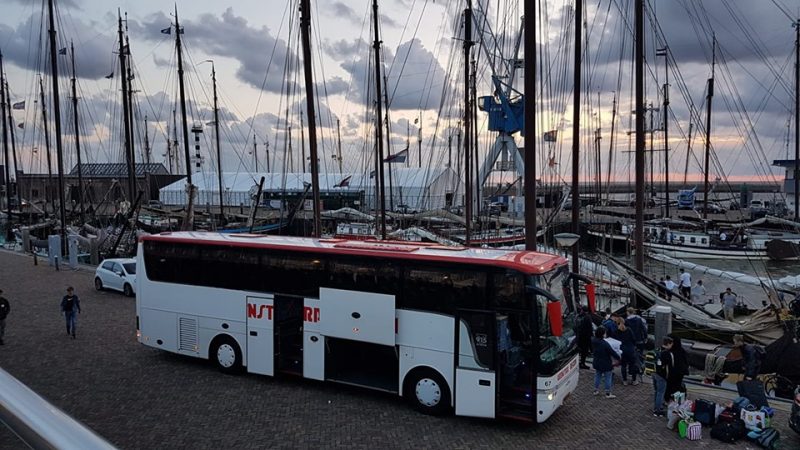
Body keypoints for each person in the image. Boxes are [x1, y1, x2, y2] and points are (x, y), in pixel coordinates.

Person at [591, 326, 618, 399]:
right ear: (602, 334)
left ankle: (595, 390)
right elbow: (612, 352)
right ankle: (608, 393)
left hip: (597, 362)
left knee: (597, 375)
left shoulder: (593, 340)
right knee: (608, 377)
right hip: (606, 363)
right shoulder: (605, 343)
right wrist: (619, 358)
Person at [653, 336, 674, 417]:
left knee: (656, 391)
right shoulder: (667, 353)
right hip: (662, 376)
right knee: (660, 393)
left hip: (654, 373)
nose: (672, 346)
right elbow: (670, 366)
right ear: (668, 344)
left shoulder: (657, 350)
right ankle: (658, 411)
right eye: (671, 344)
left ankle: (656, 407)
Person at [615, 317, 640, 386]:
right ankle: (634, 380)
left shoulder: (616, 331)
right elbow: (633, 339)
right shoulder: (629, 329)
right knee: (633, 365)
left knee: (623, 366)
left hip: (622, 350)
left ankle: (625, 380)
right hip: (630, 349)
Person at [625, 307, 647, 382]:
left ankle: (631, 371)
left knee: (631, 356)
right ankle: (640, 369)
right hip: (639, 339)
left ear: (628, 312)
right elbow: (643, 329)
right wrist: (645, 337)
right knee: (640, 355)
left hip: (631, 341)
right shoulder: (639, 320)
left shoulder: (626, 321)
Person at [666, 335, 689, 402]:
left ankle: (669, 398)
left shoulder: (671, 352)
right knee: (677, 385)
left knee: (670, 385)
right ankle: (677, 398)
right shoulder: (681, 350)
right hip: (681, 372)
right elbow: (686, 361)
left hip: (673, 373)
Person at [575, 306, 593, 370]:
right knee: (584, 351)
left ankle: (579, 362)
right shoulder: (588, 317)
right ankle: (582, 363)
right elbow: (590, 328)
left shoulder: (577, 316)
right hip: (586, 337)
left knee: (579, 350)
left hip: (579, 336)